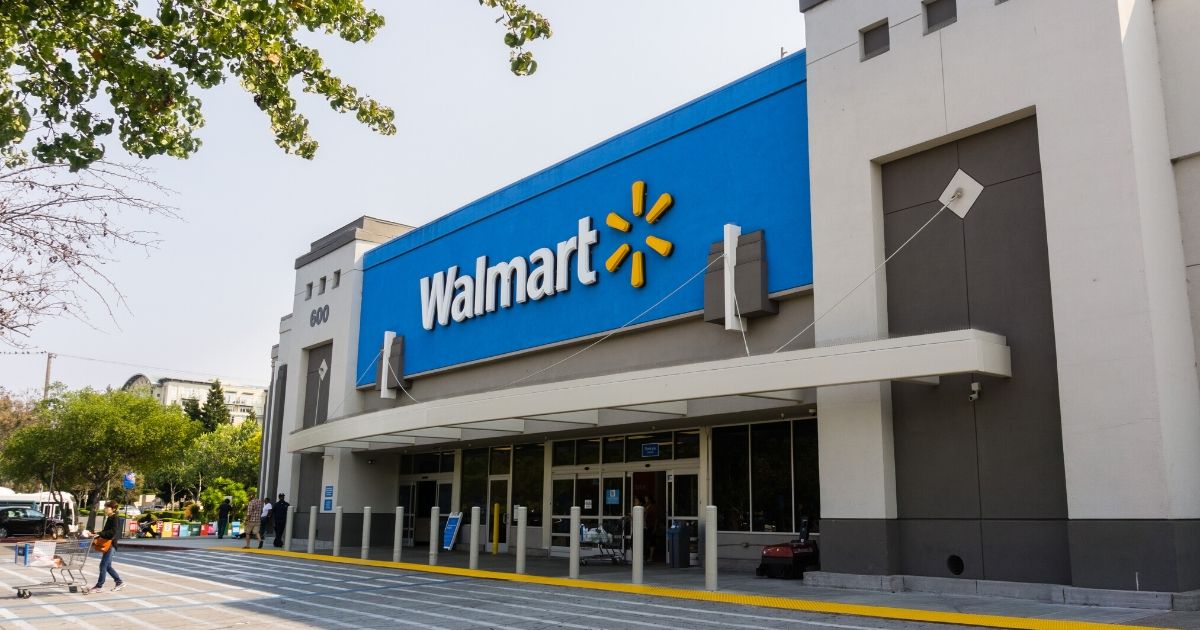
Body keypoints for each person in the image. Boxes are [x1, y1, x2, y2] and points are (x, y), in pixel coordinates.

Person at [92, 501, 125, 592]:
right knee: (108, 566)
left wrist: (100, 533)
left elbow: (112, 532)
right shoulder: (110, 517)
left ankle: (99, 586)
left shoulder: (114, 518)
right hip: (108, 545)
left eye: (107, 507)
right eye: (105, 507)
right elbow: (106, 532)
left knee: (103, 565)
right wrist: (97, 535)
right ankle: (119, 582)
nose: (105, 509)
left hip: (111, 545)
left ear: (113, 509)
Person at [644, 496, 661, 563]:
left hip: (651, 526)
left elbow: (656, 518)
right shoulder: (645, 506)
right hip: (646, 526)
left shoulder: (653, 507)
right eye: (645, 499)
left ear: (650, 500)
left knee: (651, 541)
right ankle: (647, 556)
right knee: (647, 541)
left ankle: (651, 557)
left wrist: (655, 527)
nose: (646, 500)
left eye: (647, 499)